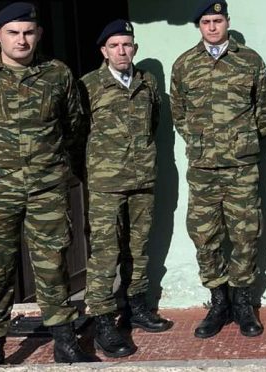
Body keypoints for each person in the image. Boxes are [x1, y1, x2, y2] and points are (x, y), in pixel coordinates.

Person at [0, 2, 96, 364]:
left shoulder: (57, 74)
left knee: (53, 264)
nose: (21, 40)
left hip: (46, 188)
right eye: (13, 33)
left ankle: (65, 341)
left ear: (39, 34)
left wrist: (62, 171)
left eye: (28, 32)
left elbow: (74, 127)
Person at [170, 0, 266, 339]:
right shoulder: (184, 64)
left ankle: (242, 302)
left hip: (241, 166)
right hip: (203, 167)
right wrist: (200, 142)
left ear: (227, 21)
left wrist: (244, 141)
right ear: (199, 27)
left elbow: (265, 110)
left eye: (217, 21)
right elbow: (179, 112)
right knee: (205, 235)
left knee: (246, 234)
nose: (212, 27)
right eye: (206, 22)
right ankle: (218, 301)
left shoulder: (250, 61)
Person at [78, 20, 172, 358]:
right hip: (106, 183)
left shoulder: (148, 82)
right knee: (105, 253)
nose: (122, 51)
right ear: (104, 51)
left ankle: (136, 306)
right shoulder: (89, 85)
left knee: (138, 247)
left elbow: (154, 123)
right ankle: (103, 320)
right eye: (115, 46)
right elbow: (76, 132)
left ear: (135, 48)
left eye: (127, 44)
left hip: (142, 178)